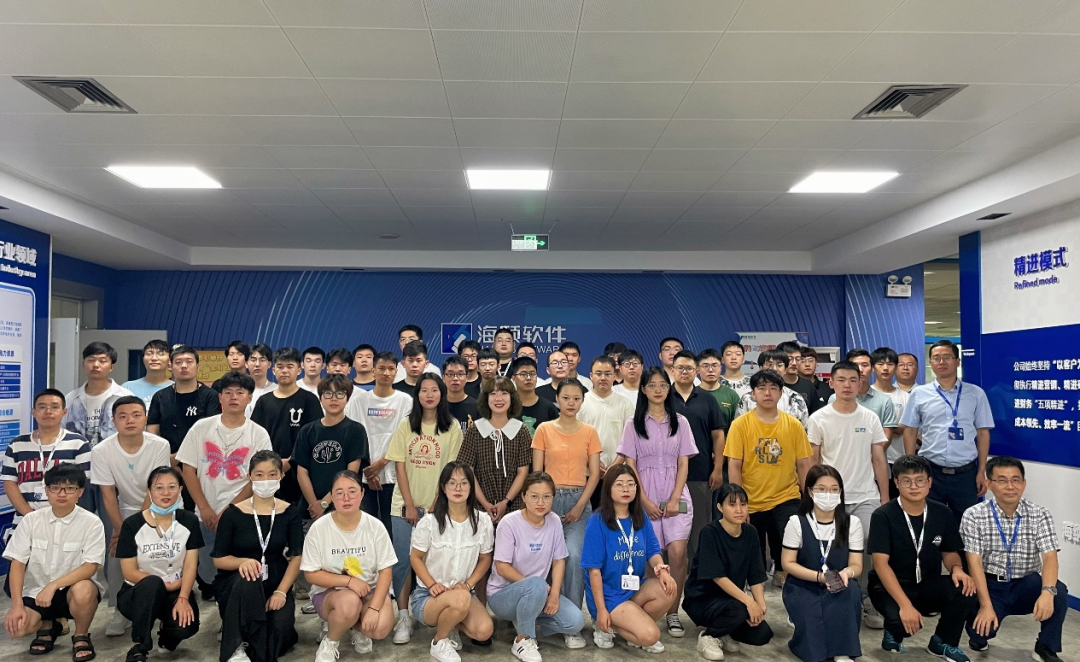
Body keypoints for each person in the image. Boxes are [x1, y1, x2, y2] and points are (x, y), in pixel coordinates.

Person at [866, 454, 977, 659]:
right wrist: (905, 606)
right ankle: (893, 631)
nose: (914, 486)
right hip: (891, 585)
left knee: (965, 588)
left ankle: (942, 642)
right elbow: (881, 565)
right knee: (901, 623)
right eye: (906, 481)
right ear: (896, 483)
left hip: (927, 582)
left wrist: (957, 569)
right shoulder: (883, 515)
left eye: (919, 480)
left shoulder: (942, 513)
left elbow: (949, 552)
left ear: (929, 482)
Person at [616, 367, 697, 638]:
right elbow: (630, 464)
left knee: (677, 552)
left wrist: (674, 498)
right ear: (643, 390)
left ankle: (673, 612)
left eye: (663, 385)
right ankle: (652, 613)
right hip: (644, 495)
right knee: (652, 557)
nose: (658, 390)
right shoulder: (633, 424)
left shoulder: (681, 422)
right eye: (652, 385)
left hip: (677, 494)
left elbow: (683, 463)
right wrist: (644, 500)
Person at [961, 456, 1067, 662]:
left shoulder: (1040, 514)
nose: (1010, 486)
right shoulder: (974, 515)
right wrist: (985, 606)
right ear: (989, 484)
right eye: (1002, 480)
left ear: (1024, 483)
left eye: (1016, 480)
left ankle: (1045, 646)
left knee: (1058, 591)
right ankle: (979, 634)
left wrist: (1047, 593)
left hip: (1025, 583)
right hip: (990, 585)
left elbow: (1050, 556)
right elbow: (974, 562)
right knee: (980, 634)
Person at [808, 361, 890, 629]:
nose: (847, 385)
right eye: (841, 380)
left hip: (866, 495)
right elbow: (812, 461)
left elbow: (878, 459)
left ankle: (865, 598)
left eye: (853, 380)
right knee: (831, 547)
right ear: (831, 383)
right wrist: (812, 496)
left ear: (860, 383)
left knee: (868, 544)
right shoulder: (819, 418)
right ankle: (828, 596)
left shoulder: (870, 417)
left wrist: (885, 498)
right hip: (831, 498)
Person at [175, 372, 273, 592]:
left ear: (249, 397)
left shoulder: (258, 434)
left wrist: (230, 510)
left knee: (242, 573)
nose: (233, 397)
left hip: (242, 514)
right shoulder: (201, 427)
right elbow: (188, 470)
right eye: (228, 392)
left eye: (240, 392)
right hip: (206, 514)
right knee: (208, 574)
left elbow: (258, 478)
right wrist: (204, 508)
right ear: (220, 397)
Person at [386, 374, 463, 645]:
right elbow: (399, 466)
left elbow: (451, 470)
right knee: (403, 563)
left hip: (438, 508)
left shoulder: (452, 427)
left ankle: (447, 619)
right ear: (417, 394)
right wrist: (409, 504)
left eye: (434, 390)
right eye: (424, 390)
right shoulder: (406, 425)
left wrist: (435, 505)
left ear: (442, 394)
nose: (429, 395)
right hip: (404, 507)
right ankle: (403, 616)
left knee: (441, 563)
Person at [2, 464, 105, 661]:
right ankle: (48, 625)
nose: (62, 494)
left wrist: (53, 585)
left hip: (70, 591)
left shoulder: (91, 523)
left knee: (84, 590)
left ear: (80, 492)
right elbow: (17, 563)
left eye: (70, 488)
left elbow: (90, 566)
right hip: (36, 591)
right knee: (18, 629)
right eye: (55, 488)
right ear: (47, 490)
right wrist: (16, 605)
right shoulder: (31, 520)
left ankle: (81, 635)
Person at [725, 369, 814, 587]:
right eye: (762, 388)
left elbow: (804, 464)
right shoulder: (740, 425)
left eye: (773, 388)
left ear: (781, 393)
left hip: (786, 495)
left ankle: (786, 576)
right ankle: (752, 579)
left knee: (790, 538)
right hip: (751, 497)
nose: (767, 393)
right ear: (752, 393)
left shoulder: (793, 425)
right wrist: (738, 502)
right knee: (751, 542)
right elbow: (734, 465)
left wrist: (809, 499)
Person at [90, 396, 171, 637]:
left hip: (162, 505)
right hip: (124, 508)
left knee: (162, 554)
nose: (130, 421)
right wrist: (121, 531)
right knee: (118, 551)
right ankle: (121, 610)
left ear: (145, 418)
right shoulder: (101, 450)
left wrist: (138, 527)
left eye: (136, 415)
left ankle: (164, 610)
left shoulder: (159, 445)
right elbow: (108, 495)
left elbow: (155, 489)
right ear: (113, 420)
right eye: (122, 416)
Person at [211, 451, 302, 662]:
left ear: (281, 476)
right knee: (249, 577)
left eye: (272, 474)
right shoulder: (232, 513)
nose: (265, 480)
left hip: (275, 582)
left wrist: (281, 592)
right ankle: (235, 647)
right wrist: (242, 562)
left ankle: (248, 635)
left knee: (279, 632)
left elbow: (296, 556)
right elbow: (219, 558)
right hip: (238, 583)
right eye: (259, 475)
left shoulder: (290, 512)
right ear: (249, 477)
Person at [486, 471, 587, 661]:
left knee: (575, 622)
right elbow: (502, 567)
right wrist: (537, 587)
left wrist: (554, 595)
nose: (541, 502)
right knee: (537, 584)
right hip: (503, 595)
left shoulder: (554, 521)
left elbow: (559, 560)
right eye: (534, 496)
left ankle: (525, 617)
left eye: (547, 497)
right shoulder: (509, 523)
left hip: (539, 593)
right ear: (523, 497)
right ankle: (523, 640)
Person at [302, 470, 397, 662]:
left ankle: (352, 626)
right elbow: (310, 573)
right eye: (339, 493)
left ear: (362, 494)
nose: (346, 498)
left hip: (369, 590)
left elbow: (386, 570)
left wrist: (374, 608)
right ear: (332, 496)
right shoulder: (319, 528)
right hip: (331, 594)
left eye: (352, 491)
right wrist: (348, 581)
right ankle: (331, 641)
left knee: (380, 628)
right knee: (349, 602)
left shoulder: (375, 526)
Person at [583, 465, 678, 653]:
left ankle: (631, 628)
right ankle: (607, 626)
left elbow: (653, 550)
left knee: (669, 589)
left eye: (630, 484)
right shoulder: (597, 521)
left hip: (633, 588)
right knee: (650, 636)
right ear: (608, 488)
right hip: (608, 596)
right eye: (619, 484)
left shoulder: (640, 516)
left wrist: (662, 571)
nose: (625, 489)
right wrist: (601, 610)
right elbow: (593, 571)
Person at [409, 462, 496, 662]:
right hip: (429, 596)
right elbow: (415, 557)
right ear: (443, 487)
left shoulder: (482, 521)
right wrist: (432, 584)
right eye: (452, 483)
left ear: (471, 487)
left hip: (463, 592)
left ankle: (451, 623)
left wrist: (468, 584)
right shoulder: (429, 522)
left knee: (484, 631)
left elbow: (485, 558)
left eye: (464, 483)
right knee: (461, 599)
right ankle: (439, 642)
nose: (458, 488)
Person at [900, 339, 994, 521]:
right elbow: (910, 431)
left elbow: (983, 433)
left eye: (947, 357)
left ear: (957, 361)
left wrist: (981, 470)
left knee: (967, 525)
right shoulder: (919, 394)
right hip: (930, 472)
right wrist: (912, 468)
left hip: (965, 474)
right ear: (930, 362)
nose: (941, 362)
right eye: (936, 358)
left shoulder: (975, 393)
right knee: (929, 522)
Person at [532, 378, 601, 623]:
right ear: (557, 400)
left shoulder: (589, 432)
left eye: (576, 398)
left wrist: (580, 505)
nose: (571, 403)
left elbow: (595, 474)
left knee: (573, 557)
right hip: (547, 501)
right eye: (566, 398)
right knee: (543, 556)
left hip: (579, 502)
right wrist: (544, 503)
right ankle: (543, 613)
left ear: (582, 401)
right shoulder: (544, 429)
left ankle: (570, 619)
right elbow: (537, 473)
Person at [115, 467, 202, 662]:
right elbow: (129, 572)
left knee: (186, 625)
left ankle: (167, 637)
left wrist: (183, 597)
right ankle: (139, 646)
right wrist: (164, 585)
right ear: (149, 491)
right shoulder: (132, 524)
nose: (165, 493)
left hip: (177, 588)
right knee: (152, 584)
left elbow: (190, 565)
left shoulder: (189, 521)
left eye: (172, 487)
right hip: (139, 592)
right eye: (159, 487)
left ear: (180, 490)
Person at [780, 465, 863, 662]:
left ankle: (842, 652)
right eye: (822, 489)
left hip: (838, 582)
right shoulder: (796, 522)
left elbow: (857, 565)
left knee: (850, 591)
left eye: (834, 489)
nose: (828, 494)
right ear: (810, 491)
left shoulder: (852, 523)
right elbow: (788, 563)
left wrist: (846, 573)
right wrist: (819, 577)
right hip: (803, 585)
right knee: (814, 648)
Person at [684, 483, 773, 661]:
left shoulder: (750, 532)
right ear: (720, 507)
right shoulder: (709, 532)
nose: (739, 510)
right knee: (740, 610)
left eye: (743, 504)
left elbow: (755, 574)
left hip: (731, 599)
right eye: (732, 505)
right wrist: (749, 601)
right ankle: (709, 636)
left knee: (762, 634)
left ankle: (724, 631)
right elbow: (717, 577)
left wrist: (760, 605)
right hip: (702, 599)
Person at [2, 389, 90, 532]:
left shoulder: (79, 443)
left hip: (66, 523)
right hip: (25, 521)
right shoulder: (17, 444)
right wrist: (30, 516)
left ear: (64, 412)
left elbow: (82, 484)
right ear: (33, 412)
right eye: (42, 407)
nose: (48, 411)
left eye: (55, 407)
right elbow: (9, 483)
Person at [345, 351, 412, 533]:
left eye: (391, 369)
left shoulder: (405, 401)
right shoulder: (359, 401)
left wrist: (381, 463)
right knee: (366, 527)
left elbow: (404, 438)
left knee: (391, 527)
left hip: (394, 474)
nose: (386, 373)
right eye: (381, 368)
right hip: (365, 475)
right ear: (373, 371)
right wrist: (369, 470)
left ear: (397, 372)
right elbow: (355, 437)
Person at [669, 350, 725, 557]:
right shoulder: (662, 398)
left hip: (701, 473)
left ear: (696, 371)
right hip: (667, 475)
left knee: (700, 526)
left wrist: (717, 469)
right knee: (671, 527)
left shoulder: (707, 400)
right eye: (680, 368)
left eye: (689, 368)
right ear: (672, 370)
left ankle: (698, 570)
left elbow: (718, 436)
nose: (685, 372)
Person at [457, 376, 532, 527]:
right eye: (493, 394)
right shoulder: (475, 429)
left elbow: (523, 472)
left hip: (513, 506)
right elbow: (467, 471)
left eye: (504, 393)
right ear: (486, 399)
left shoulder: (521, 430)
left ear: (512, 398)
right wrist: (485, 504)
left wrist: (506, 502)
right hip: (479, 507)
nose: (499, 398)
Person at [294, 374, 369, 524]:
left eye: (340, 394)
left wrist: (324, 503)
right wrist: (314, 504)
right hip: (310, 509)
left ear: (347, 398)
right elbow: (302, 472)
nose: (334, 399)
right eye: (328, 394)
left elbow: (351, 473)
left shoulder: (356, 430)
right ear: (320, 398)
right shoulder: (307, 431)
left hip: (343, 506)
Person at [251, 347, 322, 505]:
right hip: (267, 472)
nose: (284, 371)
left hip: (300, 472)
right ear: (273, 370)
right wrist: (270, 464)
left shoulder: (309, 400)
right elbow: (254, 436)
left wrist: (291, 461)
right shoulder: (263, 401)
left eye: (290, 366)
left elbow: (315, 438)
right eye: (280, 366)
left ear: (299, 370)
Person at [147, 345, 222, 467]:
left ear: (197, 367)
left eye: (189, 362)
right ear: (170, 367)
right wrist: (166, 459)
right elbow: (152, 433)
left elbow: (212, 433)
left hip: (201, 462)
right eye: (178, 362)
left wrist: (179, 457)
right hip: (166, 462)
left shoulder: (210, 396)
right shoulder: (160, 397)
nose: (184, 366)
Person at [577, 356, 634, 508]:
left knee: (615, 515)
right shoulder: (581, 402)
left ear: (614, 376)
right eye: (598, 373)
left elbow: (630, 440)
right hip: (587, 474)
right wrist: (593, 464)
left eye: (608, 374)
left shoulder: (624, 404)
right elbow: (576, 439)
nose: (603, 378)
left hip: (617, 474)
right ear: (591, 376)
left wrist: (615, 465)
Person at [64, 341, 134, 449]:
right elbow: (61, 430)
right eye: (91, 360)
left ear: (111, 367)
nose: (96, 365)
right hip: (78, 457)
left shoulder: (125, 397)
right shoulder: (71, 398)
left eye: (102, 361)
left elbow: (134, 431)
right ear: (83, 364)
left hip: (115, 455)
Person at [871, 346, 910, 499]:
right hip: (870, 459)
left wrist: (883, 428)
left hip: (897, 459)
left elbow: (905, 429)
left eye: (890, 364)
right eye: (880, 364)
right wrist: (891, 427)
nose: (885, 368)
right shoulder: (866, 395)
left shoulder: (905, 397)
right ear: (873, 367)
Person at [735, 350, 809, 427]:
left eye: (779, 365)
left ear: (785, 369)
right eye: (769, 364)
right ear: (761, 368)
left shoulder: (796, 399)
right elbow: (739, 427)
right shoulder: (747, 399)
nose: (774, 369)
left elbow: (804, 429)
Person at [512, 357, 559, 435]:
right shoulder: (507, 407)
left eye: (532, 374)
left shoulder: (549, 408)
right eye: (523, 374)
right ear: (514, 378)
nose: (528, 378)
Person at [776, 342, 826, 415]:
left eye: (798, 359)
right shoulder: (773, 385)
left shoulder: (808, 385)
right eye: (789, 359)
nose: (794, 363)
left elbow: (814, 415)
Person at [122, 339, 173, 408]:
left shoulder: (176, 388)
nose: (154, 358)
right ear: (143, 359)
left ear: (170, 360)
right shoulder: (127, 387)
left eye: (161, 354)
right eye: (149, 354)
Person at [696, 348, 741, 424]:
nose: (710, 370)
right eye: (705, 366)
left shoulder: (731, 395)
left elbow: (738, 425)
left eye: (714, 365)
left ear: (720, 368)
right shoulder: (691, 394)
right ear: (698, 369)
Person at [443, 356, 479, 435]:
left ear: (466, 378)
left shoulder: (477, 407)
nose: (455, 378)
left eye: (460, 374)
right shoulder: (436, 405)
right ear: (443, 378)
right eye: (450, 374)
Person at [245, 344, 276, 416]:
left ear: (269, 364)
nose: (257, 364)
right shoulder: (239, 390)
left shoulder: (277, 390)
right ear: (246, 364)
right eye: (253, 360)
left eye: (262, 360)